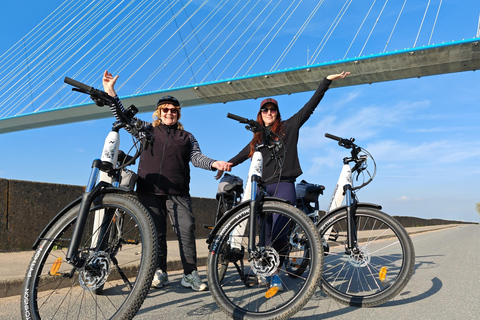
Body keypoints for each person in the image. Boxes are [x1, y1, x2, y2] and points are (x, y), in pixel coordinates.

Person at [215, 71, 350, 291]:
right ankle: (270, 271)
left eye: (272, 109)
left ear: (277, 113)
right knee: (264, 231)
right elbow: (243, 154)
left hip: (284, 184)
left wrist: (326, 81)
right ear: (260, 114)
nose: (269, 112)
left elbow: (310, 106)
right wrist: (227, 164)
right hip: (262, 186)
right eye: (265, 110)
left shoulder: (289, 127)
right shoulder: (258, 138)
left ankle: (276, 268)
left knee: (281, 229)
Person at [102, 70, 232, 292]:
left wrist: (214, 163)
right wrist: (112, 93)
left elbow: (196, 158)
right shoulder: (146, 130)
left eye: (173, 110)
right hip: (149, 191)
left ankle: (190, 274)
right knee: (155, 234)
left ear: (178, 114)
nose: (169, 113)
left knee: (187, 231)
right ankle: (159, 272)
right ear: (158, 112)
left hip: (178, 192)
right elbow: (123, 118)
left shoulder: (187, 137)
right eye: (165, 110)